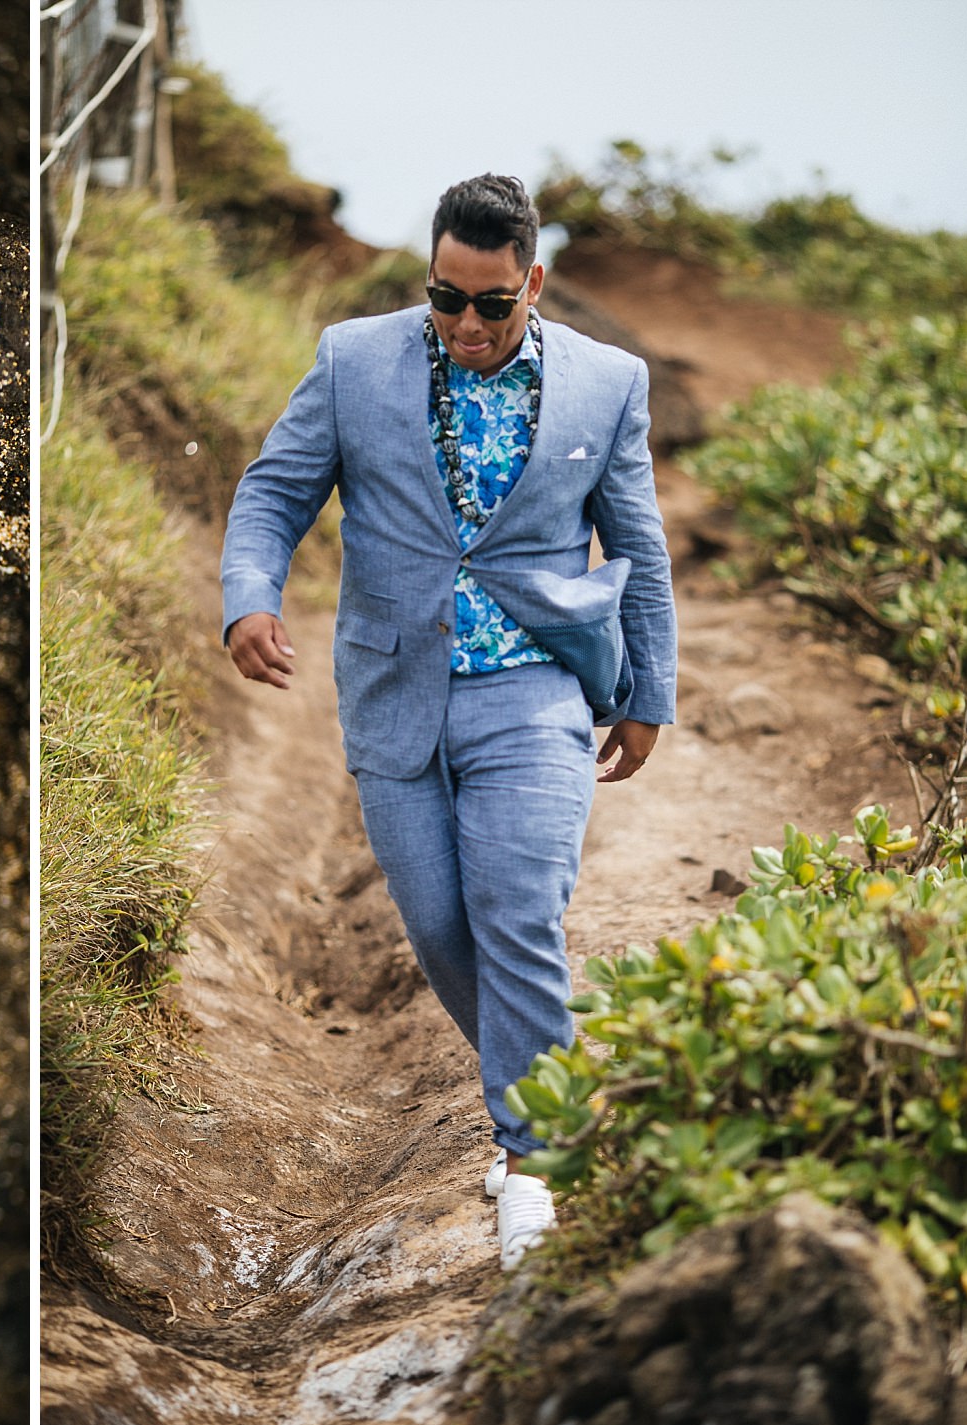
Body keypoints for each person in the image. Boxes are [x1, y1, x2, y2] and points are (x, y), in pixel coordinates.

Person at [219, 173, 677, 1271]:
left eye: (492, 303)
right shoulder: (351, 359)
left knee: (517, 909)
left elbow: (641, 546)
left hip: (535, 690)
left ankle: (533, 1157)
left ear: (534, 283)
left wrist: (648, 692)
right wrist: (249, 594)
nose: (466, 323)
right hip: (394, 691)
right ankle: (559, 1095)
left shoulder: (607, 384)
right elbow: (274, 492)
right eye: (446, 297)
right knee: (443, 929)